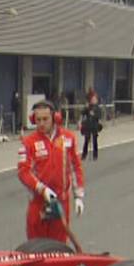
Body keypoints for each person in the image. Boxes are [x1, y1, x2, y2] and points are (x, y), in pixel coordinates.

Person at [18, 100, 85, 243]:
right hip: (38, 204)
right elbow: (23, 172)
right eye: (38, 120)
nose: (41, 123)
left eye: (45, 119)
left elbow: (75, 167)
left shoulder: (68, 138)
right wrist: (42, 189)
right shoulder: (28, 143)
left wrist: (78, 196)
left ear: (55, 118)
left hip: (61, 203)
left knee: (59, 248)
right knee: (36, 249)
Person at [79, 93, 102, 160]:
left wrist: (94, 115)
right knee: (86, 140)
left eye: (94, 99)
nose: (93, 100)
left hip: (94, 125)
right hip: (88, 125)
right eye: (92, 99)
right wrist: (85, 108)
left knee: (95, 141)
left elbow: (99, 117)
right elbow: (83, 113)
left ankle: (95, 155)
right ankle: (84, 155)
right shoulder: (88, 107)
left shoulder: (98, 108)